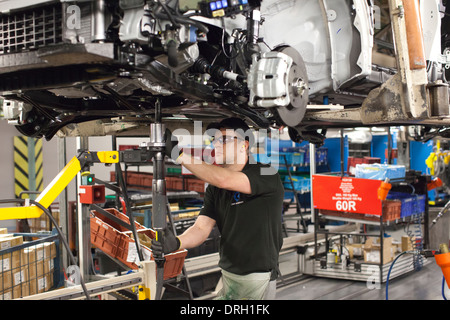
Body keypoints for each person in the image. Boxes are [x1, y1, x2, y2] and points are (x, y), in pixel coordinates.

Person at [152, 117, 284, 300]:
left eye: (224, 139)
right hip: (228, 274)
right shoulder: (215, 188)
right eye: (214, 139)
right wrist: (177, 242)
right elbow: (201, 228)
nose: (216, 144)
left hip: (257, 278)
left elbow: (225, 179)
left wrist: (179, 155)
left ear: (243, 145)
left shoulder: (265, 174)